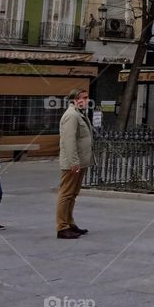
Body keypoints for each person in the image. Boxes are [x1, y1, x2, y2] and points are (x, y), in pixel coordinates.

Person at [56, 88, 94, 239]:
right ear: (73, 99)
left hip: (80, 161)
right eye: (82, 98)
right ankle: (62, 227)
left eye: (86, 97)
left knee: (72, 194)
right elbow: (69, 140)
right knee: (66, 194)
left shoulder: (78, 114)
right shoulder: (71, 115)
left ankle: (69, 222)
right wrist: (73, 162)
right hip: (73, 162)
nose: (85, 100)